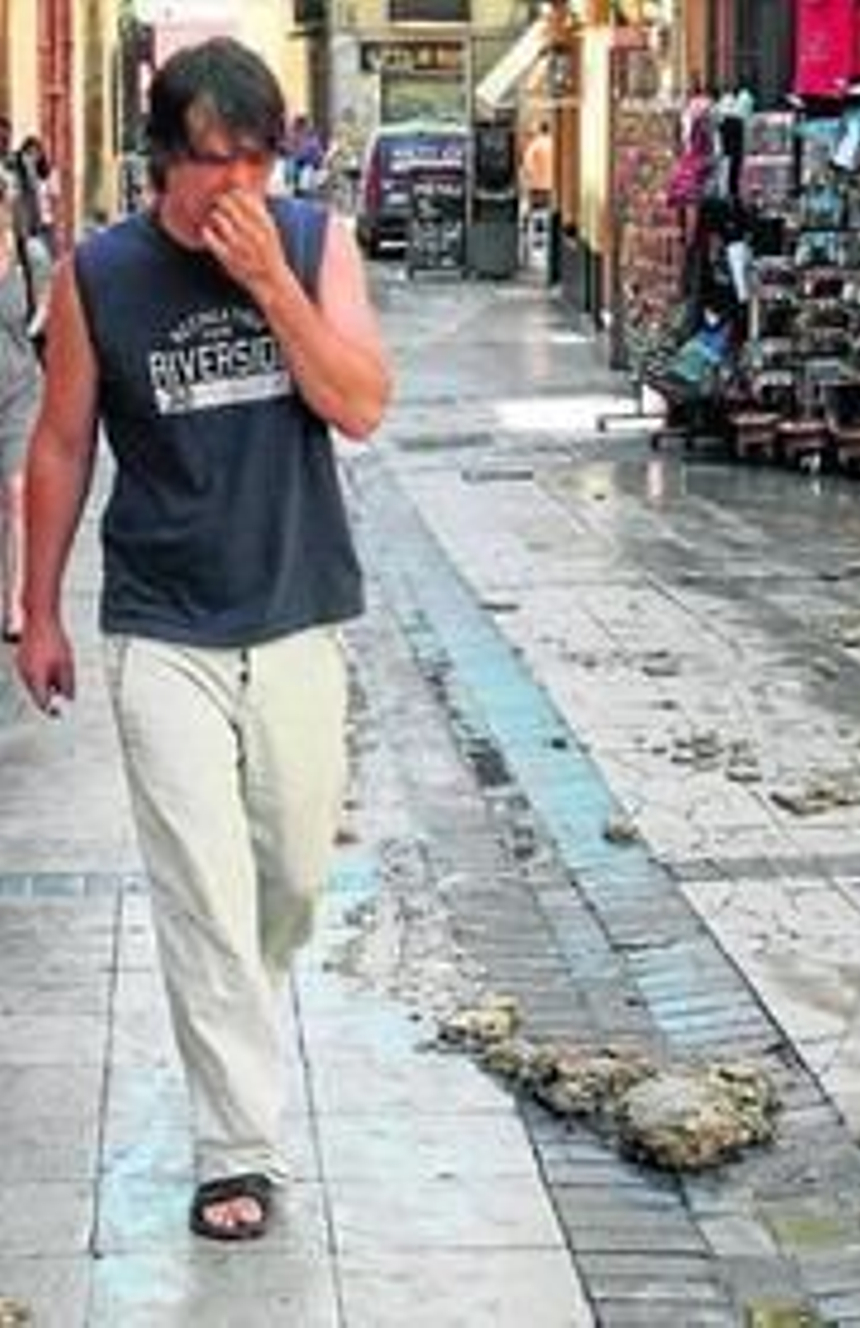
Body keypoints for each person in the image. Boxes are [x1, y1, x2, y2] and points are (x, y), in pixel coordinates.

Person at [16, 37, 390, 1242]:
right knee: (205, 896)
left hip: (295, 610)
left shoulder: (313, 244)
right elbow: (63, 444)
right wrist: (39, 607)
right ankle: (239, 1148)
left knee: (284, 879)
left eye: (257, 164)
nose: (236, 189)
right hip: (163, 623)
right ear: (160, 163)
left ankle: (239, 997)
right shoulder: (98, 275)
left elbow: (362, 405)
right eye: (213, 166)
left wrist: (275, 289)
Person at [0, 174, 49, 642]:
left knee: (17, 493)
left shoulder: (29, 256)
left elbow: (42, 316)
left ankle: (15, 603)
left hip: (18, 391)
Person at [15, 136, 59, 254]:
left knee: (47, 259)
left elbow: (55, 201)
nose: (33, 157)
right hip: (28, 227)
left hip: (45, 223)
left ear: (41, 154)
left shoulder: (49, 174)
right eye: (29, 153)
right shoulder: (20, 175)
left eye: (36, 153)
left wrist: (54, 224)